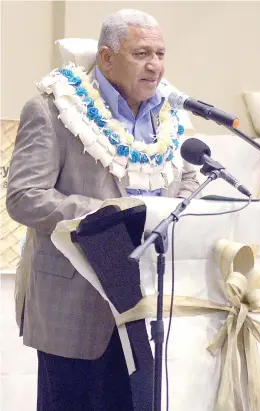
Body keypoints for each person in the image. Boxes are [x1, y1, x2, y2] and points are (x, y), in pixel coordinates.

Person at [6, 8, 199, 411]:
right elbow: (25, 196)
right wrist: (114, 213)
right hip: (77, 301)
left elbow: (186, 182)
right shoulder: (52, 110)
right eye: (142, 53)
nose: (155, 66)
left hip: (152, 301)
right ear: (107, 58)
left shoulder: (171, 119)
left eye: (161, 54)